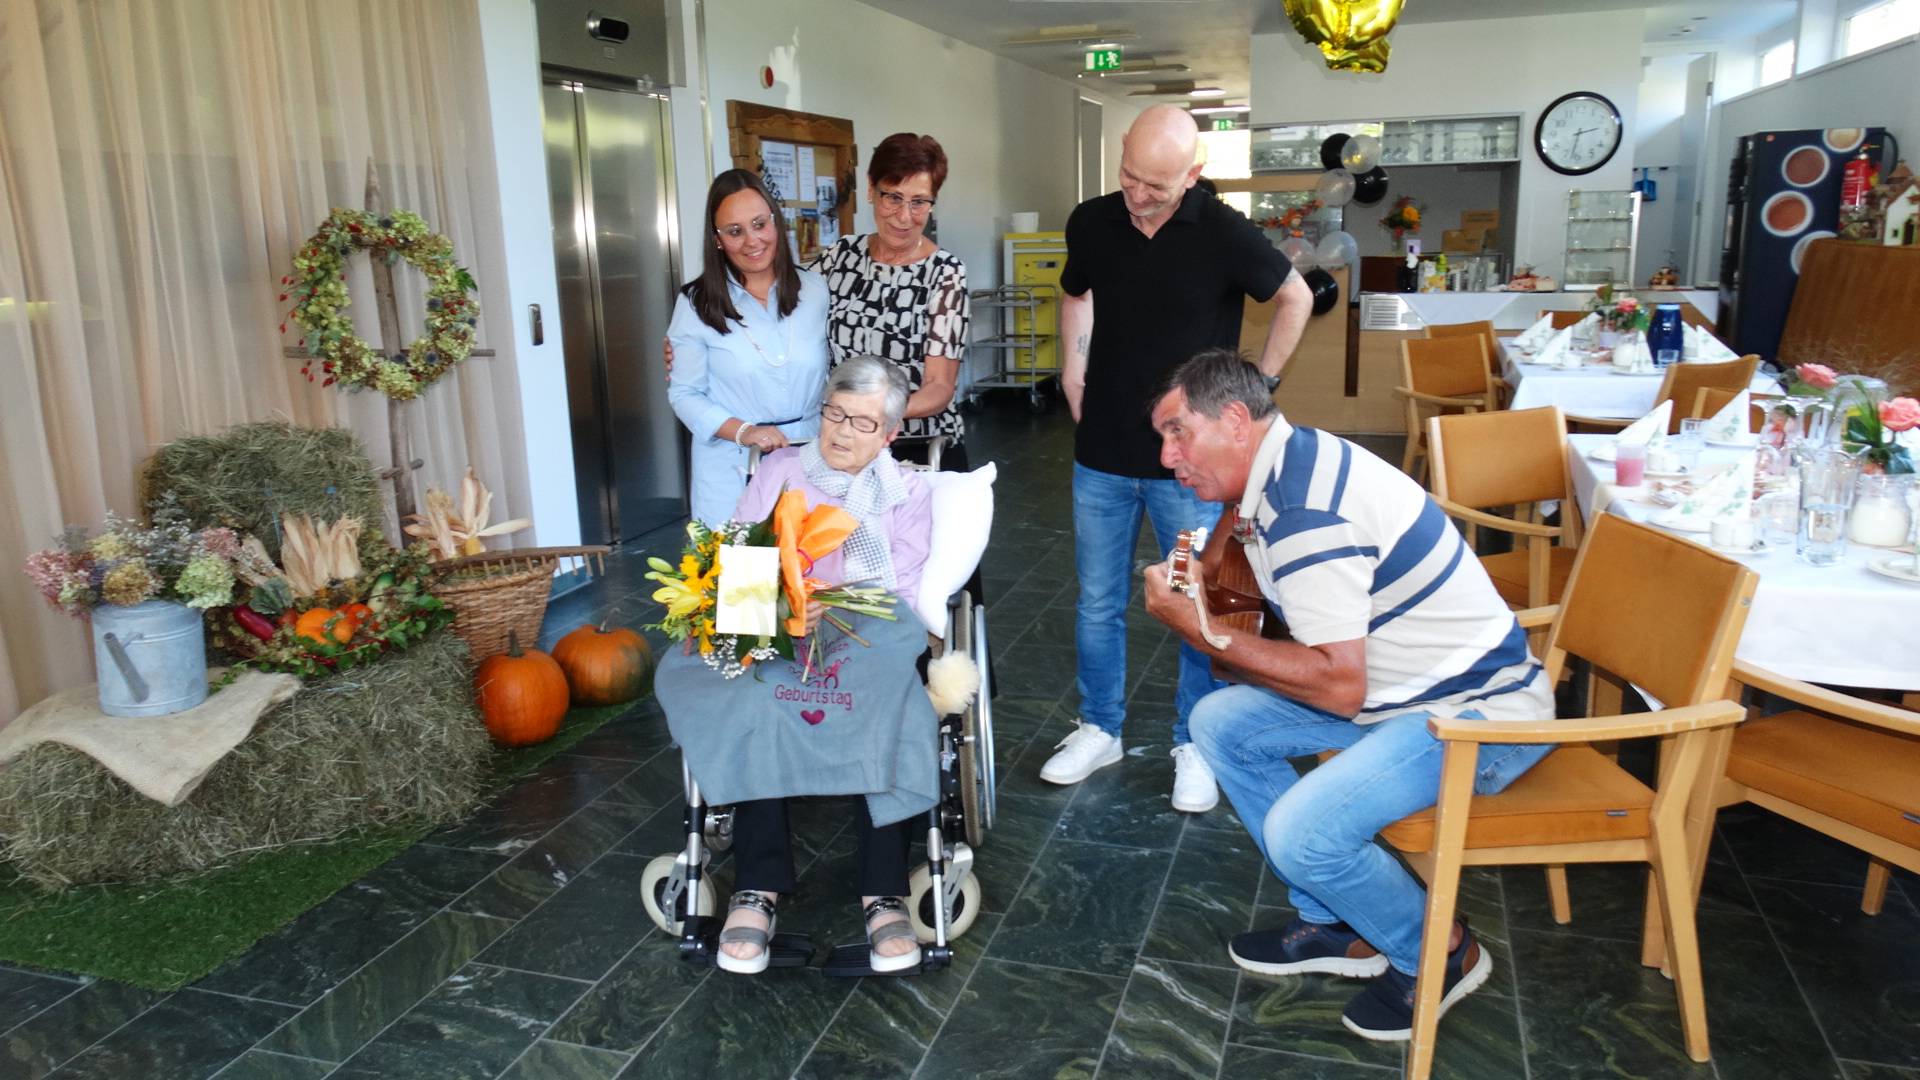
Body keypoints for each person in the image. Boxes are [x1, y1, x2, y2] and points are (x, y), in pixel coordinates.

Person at [1139, 349, 1555, 1041]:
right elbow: (1232, 561)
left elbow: (1336, 685)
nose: (1165, 455)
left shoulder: (1307, 511)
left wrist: (1203, 630)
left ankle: (1440, 951)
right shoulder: (1283, 460)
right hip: (1402, 693)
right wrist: (1206, 582)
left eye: (1177, 432)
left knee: (1302, 834)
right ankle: (1336, 920)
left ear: (1237, 420)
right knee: (1219, 724)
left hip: (1478, 717)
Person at [1041, 103, 1315, 813]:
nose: (1137, 194)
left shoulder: (1223, 232)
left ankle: (1193, 741)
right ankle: (1100, 727)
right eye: (1129, 175)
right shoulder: (1091, 221)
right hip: (1101, 452)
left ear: (1194, 175)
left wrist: (1261, 391)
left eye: (1155, 185)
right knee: (1098, 602)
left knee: (1198, 603)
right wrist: (1074, 368)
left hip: (1189, 469)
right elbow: (1076, 294)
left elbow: (1295, 296)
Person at [713, 355, 935, 976]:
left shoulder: (908, 494)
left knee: (890, 703)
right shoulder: (780, 471)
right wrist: (782, 610)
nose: (840, 431)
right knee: (752, 695)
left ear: (889, 435)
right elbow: (737, 567)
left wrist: (833, 616)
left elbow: (905, 599)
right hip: (782, 634)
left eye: (862, 423)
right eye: (834, 413)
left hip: (868, 639)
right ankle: (756, 888)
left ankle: (883, 893)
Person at [667, 169, 831, 525]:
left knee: (811, 573)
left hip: (806, 457)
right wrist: (745, 431)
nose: (752, 241)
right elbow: (684, 394)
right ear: (717, 240)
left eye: (760, 224)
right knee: (742, 577)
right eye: (735, 231)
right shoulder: (696, 303)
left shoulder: (815, 290)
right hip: (731, 466)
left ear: (775, 223)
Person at [807, 131, 972, 469]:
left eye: (919, 201)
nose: (904, 215)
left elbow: (940, 386)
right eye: (893, 198)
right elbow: (781, 310)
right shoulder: (840, 257)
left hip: (919, 448)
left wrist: (872, 414)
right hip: (847, 446)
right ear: (870, 189)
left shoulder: (945, 273)